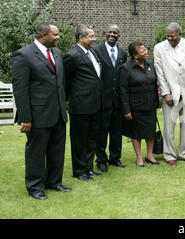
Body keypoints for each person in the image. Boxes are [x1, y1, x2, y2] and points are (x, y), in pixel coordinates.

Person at [12, 22, 70, 200]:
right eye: (56, 34)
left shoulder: (58, 54)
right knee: (36, 152)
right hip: (37, 116)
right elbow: (20, 89)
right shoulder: (24, 55)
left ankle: (54, 182)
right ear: (43, 35)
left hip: (58, 113)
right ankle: (35, 187)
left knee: (57, 150)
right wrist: (25, 118)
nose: (58, 37)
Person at [154, 22, 185, 167]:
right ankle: (169, 155)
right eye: (168, 36)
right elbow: (160, 73)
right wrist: (165, 93)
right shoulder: (159, 48)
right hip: (170, 95)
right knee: (169, 128)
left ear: (180, 34)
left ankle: (184, 153)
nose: (169, 39)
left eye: (173, 36)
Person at [64, 24, 103, 180]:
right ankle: (79, 171)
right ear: (81, 37)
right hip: (80, 106)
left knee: (92, 138)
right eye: (91, 36)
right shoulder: (71, 56)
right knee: (80, 139)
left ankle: (88, 167)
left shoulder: (92, 53)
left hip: (95, 104)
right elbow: (66, 81)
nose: (94, 39)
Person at [91, 24, 128, 172]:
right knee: (101, 131)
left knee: (116, 131)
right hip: (102, 99)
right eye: (110, 32)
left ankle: (115, 158)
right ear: (105, 34)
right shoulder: (96, 51)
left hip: (117, 100)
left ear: (119, 35)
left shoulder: (123, 53)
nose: (112, 34)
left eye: (115, 33)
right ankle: (101, 160)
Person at [119, 41, 159, 167]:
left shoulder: (150, 64)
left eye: (145, 49)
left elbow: (155, 84)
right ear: (135, 55)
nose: (146, 52)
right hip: (135, 106)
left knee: (150, 131)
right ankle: (139, 157)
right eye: (142, 51)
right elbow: (123, 90)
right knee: (136, 133)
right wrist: (126, 110)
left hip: (150, 104)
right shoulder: (126, 68)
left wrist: (156, 102)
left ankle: (149, 155)